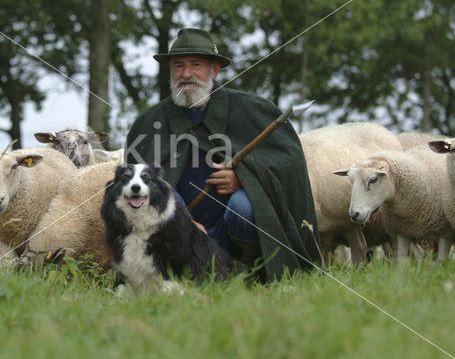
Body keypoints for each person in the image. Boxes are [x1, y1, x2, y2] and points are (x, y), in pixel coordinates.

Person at [125, 28, 320, 282]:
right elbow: (137, 187)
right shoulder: (149, 123)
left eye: (196, 64)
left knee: (244, 205)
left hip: (232, 227)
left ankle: (251, 267)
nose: (186, 74)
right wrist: (181, 221)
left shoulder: (252, 110)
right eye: (178, 66)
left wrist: (245, 178)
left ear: (214, 70)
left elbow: (288, 160)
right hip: (181, 237)